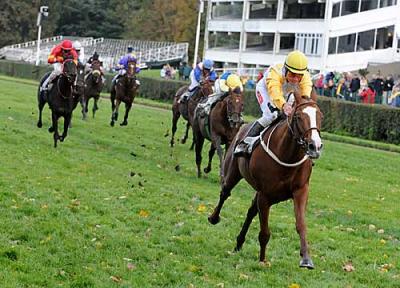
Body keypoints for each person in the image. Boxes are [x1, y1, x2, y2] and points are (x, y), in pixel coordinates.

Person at [234, 50, 312, 157]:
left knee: (292, 117)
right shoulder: (275, 72)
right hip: (266, 91)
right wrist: (283, 105)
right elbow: (275, 93)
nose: (295, 79)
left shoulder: (306, 76)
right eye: (292, 74)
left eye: (299, 76)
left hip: (287, 94)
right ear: (285, 70)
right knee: (271, 115)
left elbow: (305, 96)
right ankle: (245, 143)